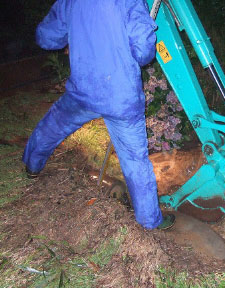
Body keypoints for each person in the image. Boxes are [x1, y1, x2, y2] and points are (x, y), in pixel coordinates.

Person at [22, 0, 175, 230]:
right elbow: (144, 51)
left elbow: (46, 37)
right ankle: (150, 222)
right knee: (135, 161)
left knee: (53, 125)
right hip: (120, 99)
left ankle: (32, 165)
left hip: (83, 90)